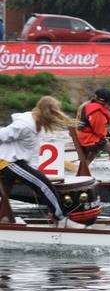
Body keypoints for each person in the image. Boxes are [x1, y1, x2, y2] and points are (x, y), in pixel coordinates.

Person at [0, 96, 83, 228]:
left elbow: (33, 153)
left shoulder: (38, 126)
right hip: (5, 162)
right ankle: (61, 220)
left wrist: (34, 172)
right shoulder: (24, 125)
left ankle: (59, 217)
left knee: (42, 181)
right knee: (43, 184)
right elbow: (2, 135)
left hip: (16, 162)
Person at [76, 88, 110, 179]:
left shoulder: (90, 106)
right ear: (102, 102)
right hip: (87, 139)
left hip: (86, 137)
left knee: (96, 149)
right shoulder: (96, 112)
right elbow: (100, 131)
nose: (108, 106)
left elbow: (99, 129)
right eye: (108, 103)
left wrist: (108, 136)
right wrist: (107, 138)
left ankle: (81, 174)